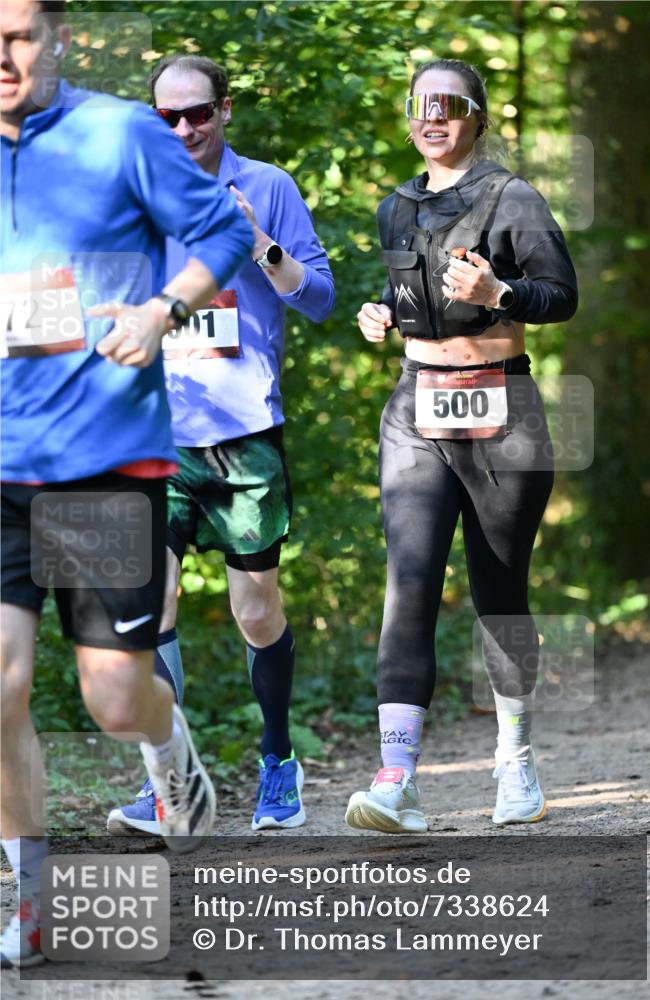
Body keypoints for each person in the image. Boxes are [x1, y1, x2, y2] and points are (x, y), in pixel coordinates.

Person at [0, 0, 254, 967]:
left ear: (60, 37)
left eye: (20, 34)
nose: (4, 55)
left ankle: (165, 749)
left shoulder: (122, 133)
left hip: (107, 457)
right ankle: (29, 901)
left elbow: (221, 239)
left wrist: (158, 311)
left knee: (114, 698)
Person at [345, 59, 577, 834]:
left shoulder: (513, 198)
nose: (432, 118)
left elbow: (560, 296)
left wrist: (500, 294)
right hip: (416, 408)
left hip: (502, 408)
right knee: (407, 583)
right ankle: (396, 779)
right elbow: (404, 292)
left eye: (449, 105)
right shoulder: (394, 207)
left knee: (498, 594)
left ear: (474, 116)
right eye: (420, 105)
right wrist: (379, 315)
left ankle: (514, 763)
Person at [106, 55, 334, 837]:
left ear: (224, 110)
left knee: (255, 612)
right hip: (153, 438)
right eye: (167, 118)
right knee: (148, 603)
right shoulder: (131, 196)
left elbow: (322, 299)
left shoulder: (267, 184)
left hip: (243, 439)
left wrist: (263, 245)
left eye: (197, 113)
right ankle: (173, 781)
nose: (184, 130)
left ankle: (278, 761)